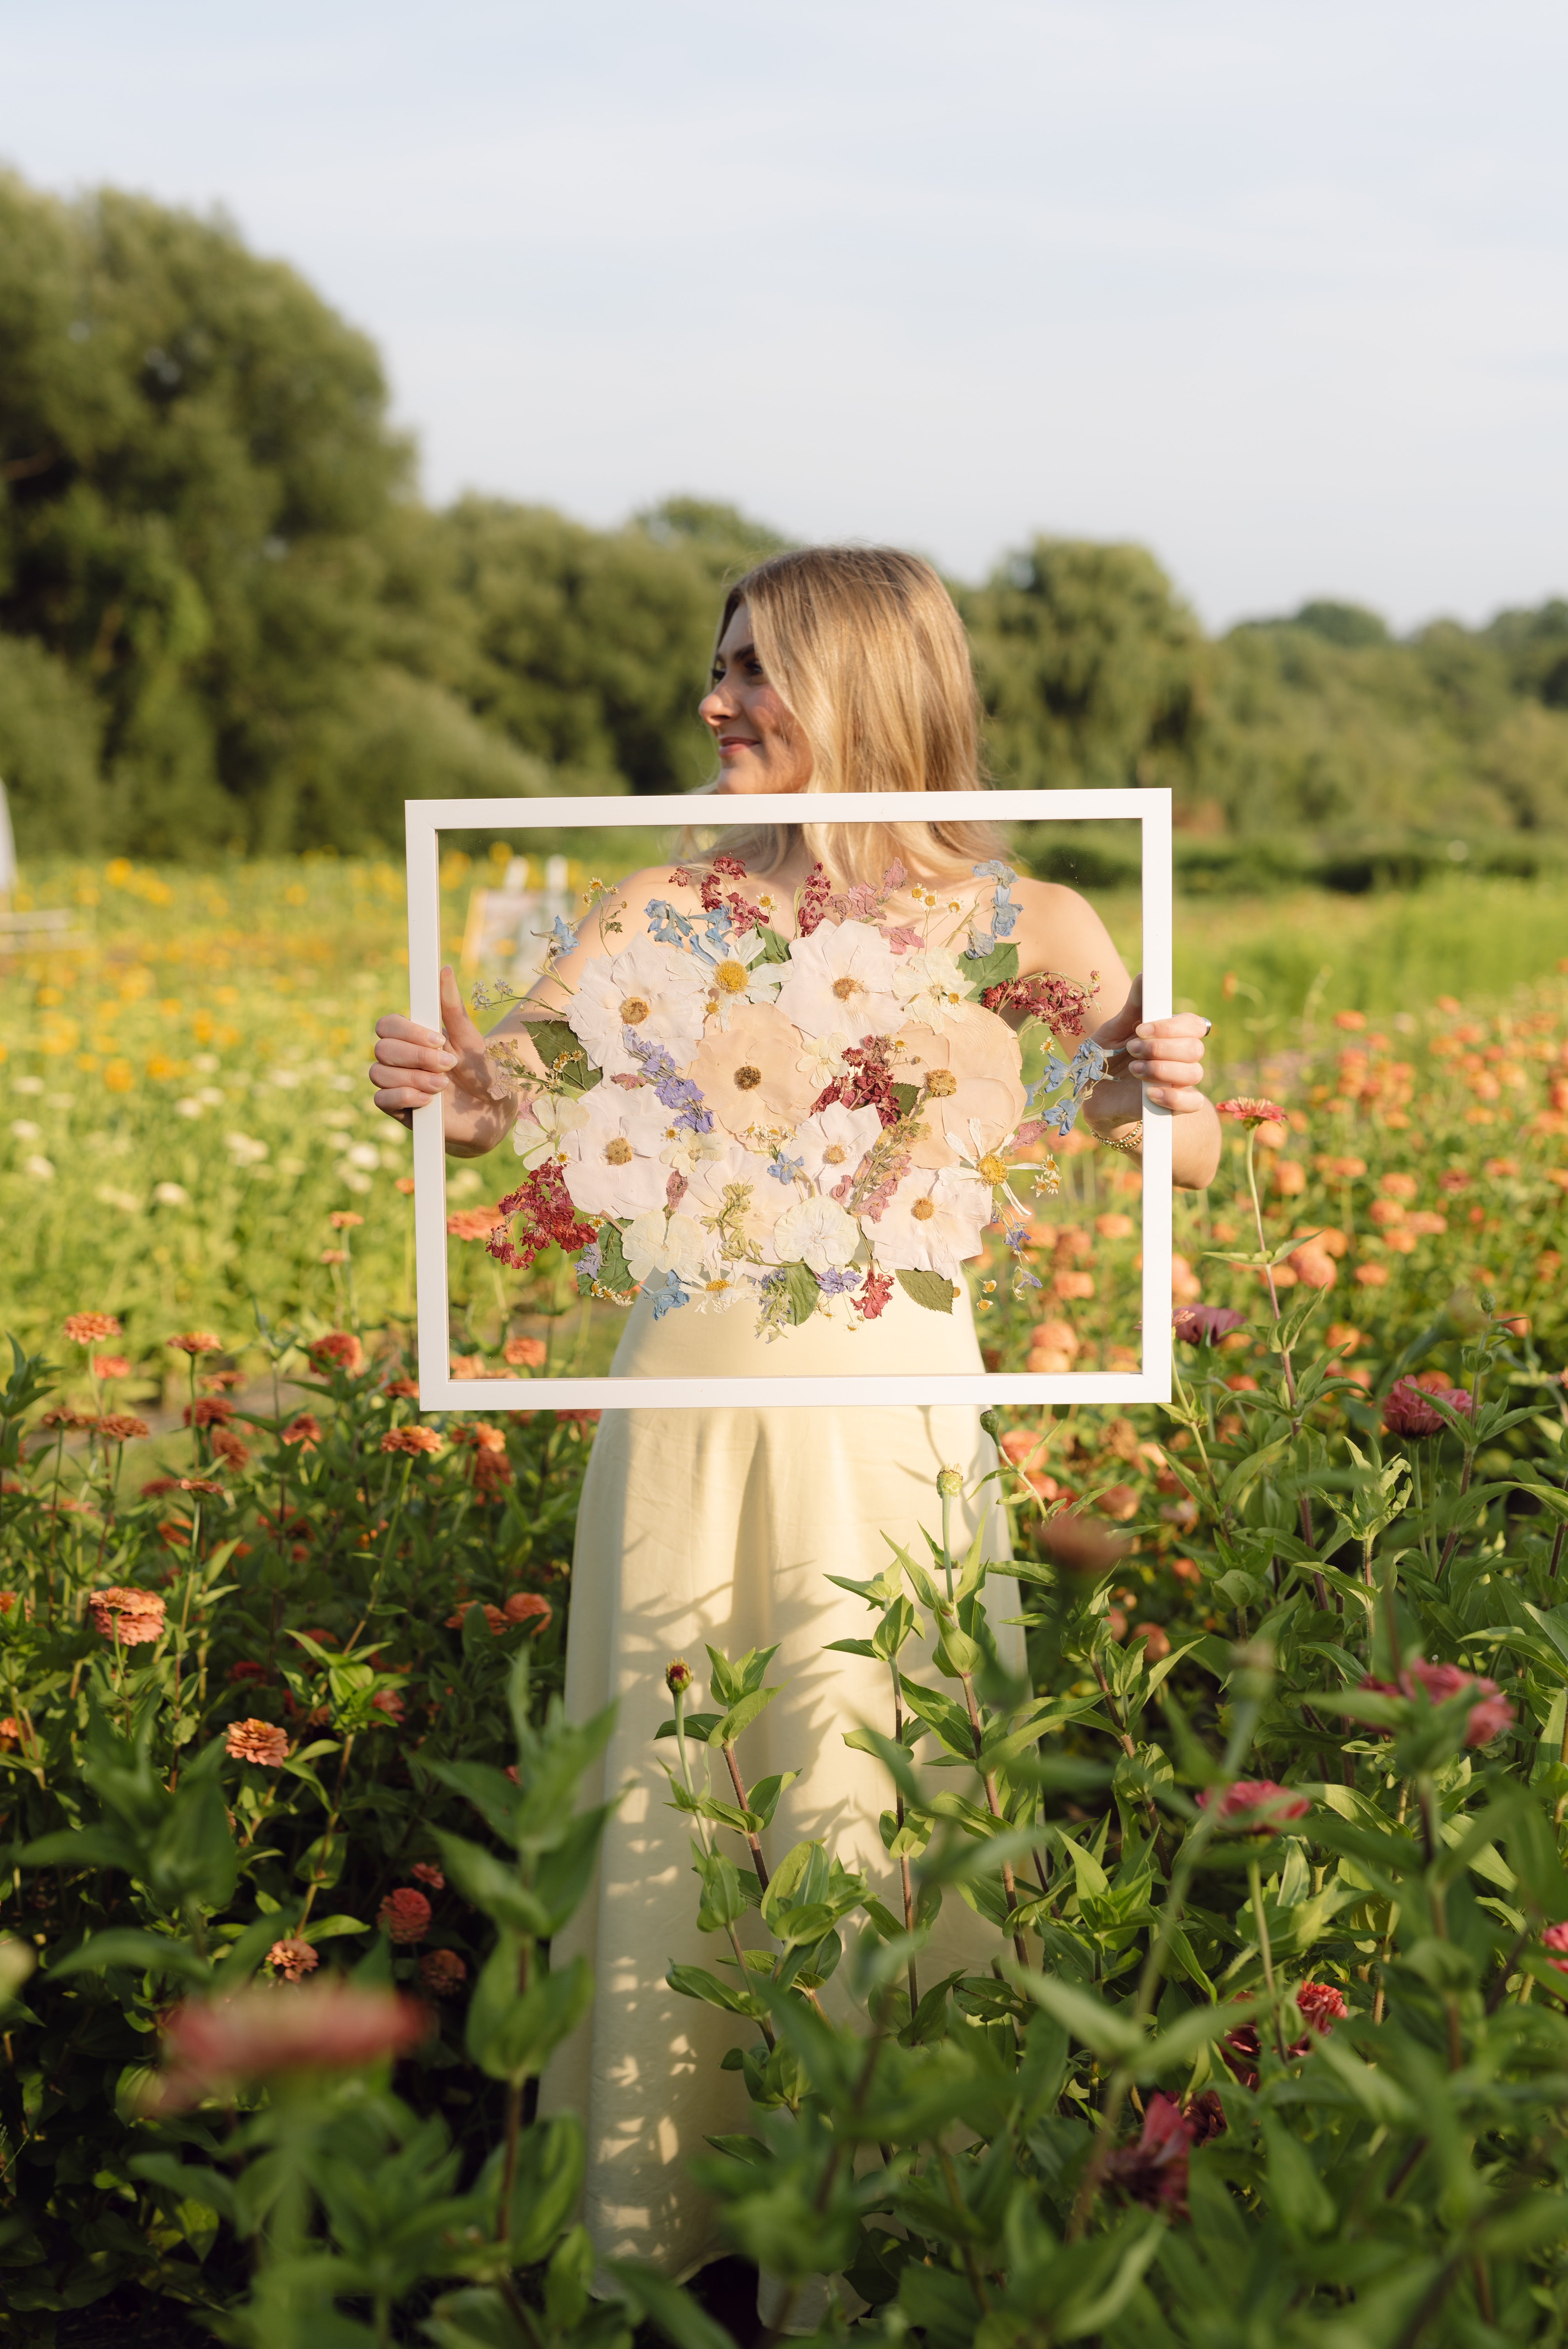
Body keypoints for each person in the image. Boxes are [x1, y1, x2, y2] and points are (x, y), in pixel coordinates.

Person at [367, 548, 1219, 2307]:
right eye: (719, 668)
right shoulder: (657, 912)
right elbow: (497, 1105)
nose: (715, 704)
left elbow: (1184, 1160)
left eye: (754, 671)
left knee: (875, 1788)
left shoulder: (1029, 926)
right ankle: (670, 2246)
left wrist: (1156, 1097)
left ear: (867, 686)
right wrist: (438, 1085)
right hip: (682, 1421)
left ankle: (891, 2238)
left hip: (894, 1426)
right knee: (682, 1803)